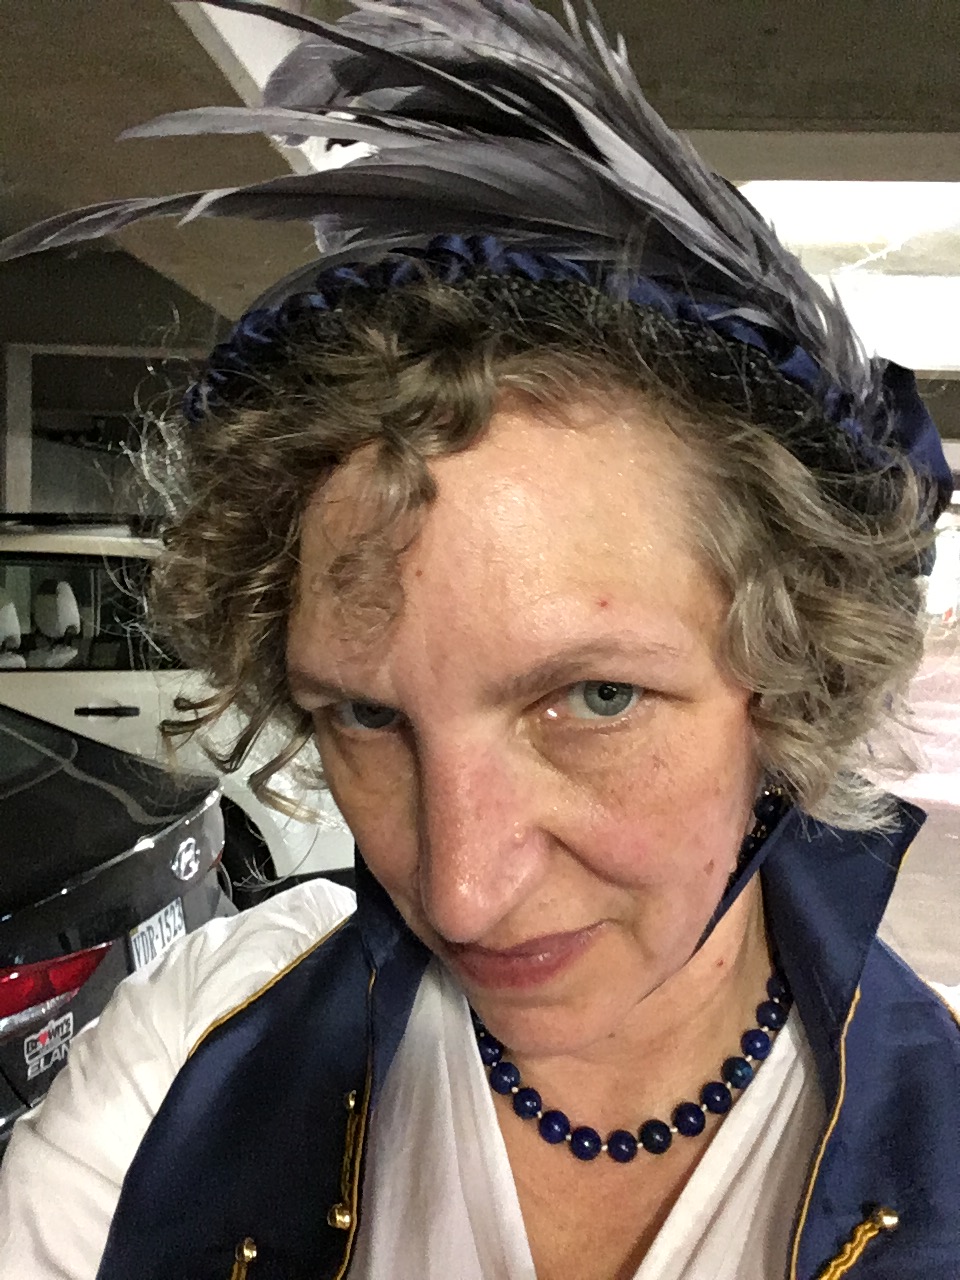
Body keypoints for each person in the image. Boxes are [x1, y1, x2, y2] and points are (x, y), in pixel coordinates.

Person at [0, 3, 957, 1279]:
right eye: (366, 714)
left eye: (595, 696)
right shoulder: (184, 1057)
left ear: (790, 682)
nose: (459, 888)